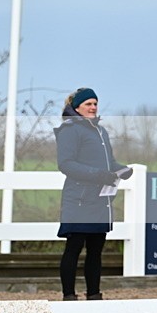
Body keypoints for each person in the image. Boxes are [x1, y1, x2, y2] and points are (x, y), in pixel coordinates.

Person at [54, 87, 133, 301]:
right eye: (88, 103)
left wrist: (121, 169)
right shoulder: (69, 130)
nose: (93, 107)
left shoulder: (101, 132)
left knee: (96, 250)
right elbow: (66, 164)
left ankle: (94, 295)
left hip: (100, 200)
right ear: (77, 107)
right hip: (78, 199)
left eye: (95, 103)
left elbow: (109, 163)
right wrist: (100, 175)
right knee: (74, 247)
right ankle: (69, 295)